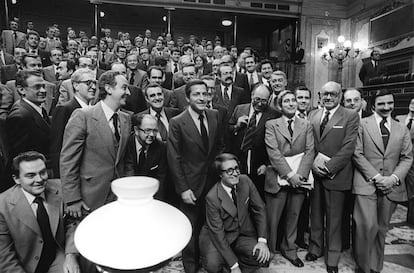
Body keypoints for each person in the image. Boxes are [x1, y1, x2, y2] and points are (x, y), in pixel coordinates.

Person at [353, 90, 412, 273]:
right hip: (366, 182)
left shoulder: (401, 128)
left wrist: (393, 178)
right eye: (381, 104)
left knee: (381, 228)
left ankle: (375, 267)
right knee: (366, 226)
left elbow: (407, 157)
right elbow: (357, 153)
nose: (386, 107)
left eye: (390, 103)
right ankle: (362, 267)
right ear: (373, 106)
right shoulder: (362, 124)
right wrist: (377, 177)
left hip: (391, 186)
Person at [167, 79, 224, 273]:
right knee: (189, 228)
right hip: (190, 186)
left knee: (212, 225)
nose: (202, 98)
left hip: (213, 183)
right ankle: (190, 266)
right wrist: (183, 188)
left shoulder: (215, 115)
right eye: (196, 94)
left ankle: (210, 261)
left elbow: (220, 147)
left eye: (205, 94)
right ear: (187, 97)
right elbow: (174, 158)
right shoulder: (177, 122)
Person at [60, 71, 131, 220]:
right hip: (90, 198)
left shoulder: (126, 119)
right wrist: (72, 199)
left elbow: (125, 160)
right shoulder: (83, 116)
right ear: (109, 89)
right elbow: (68, 160)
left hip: (119, 197)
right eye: (124, 87)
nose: (128, 92)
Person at [306, 81, 359, 273]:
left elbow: (348, 148)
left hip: (336, 175)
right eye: (325, 94)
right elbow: (309, 143)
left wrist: (328, 168)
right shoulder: (313, 114)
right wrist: (312, 165)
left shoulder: (350, 116)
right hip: (315, 173)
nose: (328, 97)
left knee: (335, 219)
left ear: (339, 97)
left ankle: (333, 257)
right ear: (319, 95)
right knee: (316, 214)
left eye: (333, 94)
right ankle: (315, 248)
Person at [0, 151, 79, 273]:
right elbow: (4, 257)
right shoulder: (2, 206)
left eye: (42, 172)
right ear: (17, 179)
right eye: (31, 175)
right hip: (24, 266)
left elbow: (72, 223)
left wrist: (71, 255)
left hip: (56, 257)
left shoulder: (60, 187)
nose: (40, 179)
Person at [264, 90, 314, 267]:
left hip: (300, 177)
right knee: (273, 218)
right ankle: (268, 250)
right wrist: (289, 175)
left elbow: (310, 151)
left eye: (294, 100)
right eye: (287, 101)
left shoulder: (306, 124)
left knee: (294, 216)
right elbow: (273, 152)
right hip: (277, 177)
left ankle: (289, 249)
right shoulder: (271, 124)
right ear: (280, 104)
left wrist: (299, 175)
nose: (292, 103)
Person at [199, 153, 271, 273]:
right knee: (213, 266)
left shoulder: (246, 181)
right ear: (220, 174)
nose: (235, 173)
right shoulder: (212, 197)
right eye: (229, 170)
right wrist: (234, 266)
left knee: (262, 257)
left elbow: (260, 209)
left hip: (241, 233)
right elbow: (218, 234)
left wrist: (262, 241)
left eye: (237, 168)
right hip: (217, 237)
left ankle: (232, 262)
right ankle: (228, 263)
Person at [228, 84, 280, 199]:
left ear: (269, 99)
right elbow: (227, 132)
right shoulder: (239, 109)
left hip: (259, 165)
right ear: (252, 96)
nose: (260, 103)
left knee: (257, 198)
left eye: (264, 101)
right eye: (257, 99)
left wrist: (267, 164)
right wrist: (236, 126)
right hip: (239, 162)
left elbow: (277, 144)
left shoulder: (274, 115)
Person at [5, 70, 51, 189]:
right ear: (21, 90)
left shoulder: (37, 108)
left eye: (43, 86)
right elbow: (19, 157)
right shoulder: (20, 116)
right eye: (37, 87)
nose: (43, 91)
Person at [50, 68, 96, 178]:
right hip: (73, 173)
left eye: (95, 83)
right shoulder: (64, 109)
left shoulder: (95, 110)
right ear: (75, 85)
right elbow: (57, 147)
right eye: (88, 83)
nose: (93, 87)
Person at [124, 114, 168, 200]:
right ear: (136, 130)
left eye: (155, 131)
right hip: (129, 193)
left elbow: (161, 179)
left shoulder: (160, 147)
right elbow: (127, 172)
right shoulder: (126, 144)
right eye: (147, 130)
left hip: (150, 195)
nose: (152, 134)